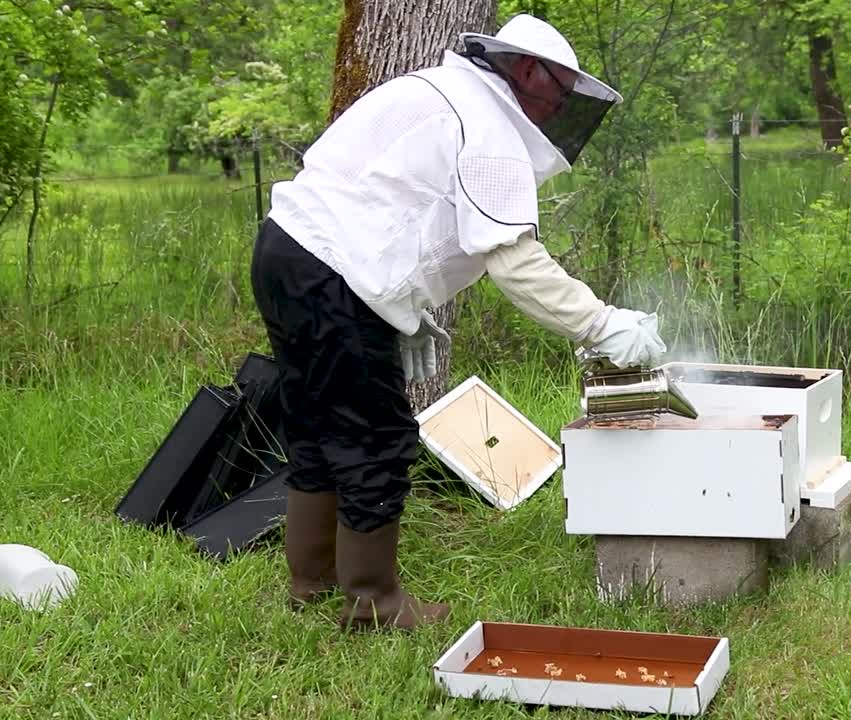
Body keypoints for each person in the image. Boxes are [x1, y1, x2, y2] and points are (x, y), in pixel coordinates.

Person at [249, 14, 666, 631]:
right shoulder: (488, 124)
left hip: (285, 255)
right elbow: (517, 264)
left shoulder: (434, 92)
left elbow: (387, 205)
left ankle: (310, 584)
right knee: (376, 440)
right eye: (560, 90)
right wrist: (603, 325)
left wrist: (403, 311)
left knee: (317, 427)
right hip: (334, 277)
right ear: (527, 70)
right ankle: (374, 605)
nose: (560, 109)